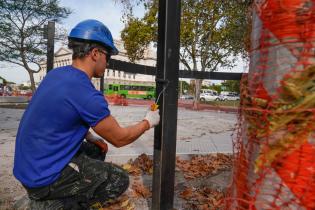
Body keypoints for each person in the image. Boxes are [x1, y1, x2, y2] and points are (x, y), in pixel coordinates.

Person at [13, 19, 160, 209]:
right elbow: (119, 138)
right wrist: (148, 122)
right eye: (107, 57)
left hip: (28, 167)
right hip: (42, 177)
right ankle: (49, 204)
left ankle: (55, 194)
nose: (108, 63)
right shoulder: (85, 92)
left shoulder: (56, 75)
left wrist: (89, 136)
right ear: (95, 53)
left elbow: (59, 117)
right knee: (118, 179)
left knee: (97, 149)